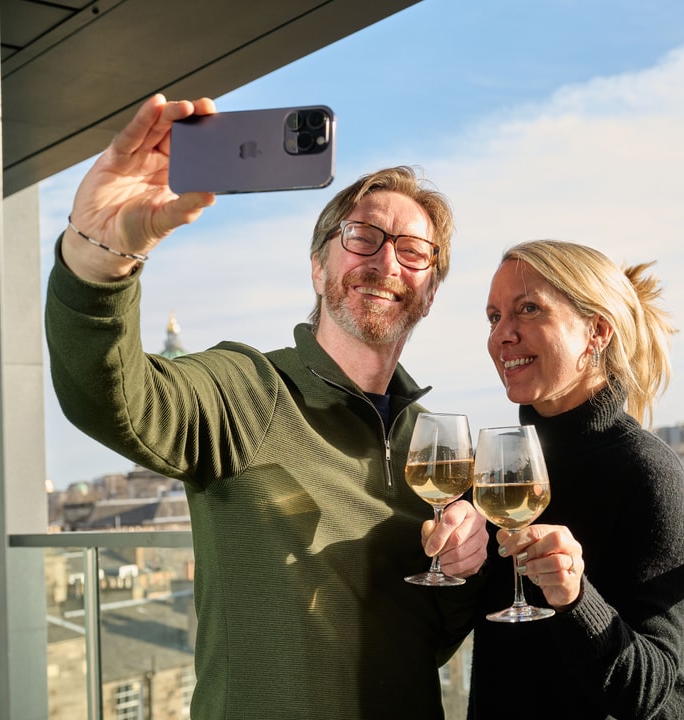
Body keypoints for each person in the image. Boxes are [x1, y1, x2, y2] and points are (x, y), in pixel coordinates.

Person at [44, 95, 489, 719]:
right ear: (317, 267)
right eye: (362, 237)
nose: (387, 262)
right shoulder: (248, 388)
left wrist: (465, 569)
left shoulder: (434, 445)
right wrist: (98, 254)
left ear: (430, 290)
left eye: (415, 252)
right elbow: (111, 399)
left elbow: (429, 640)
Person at [469, 240, 684, 719]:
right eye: (494, 318)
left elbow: (646, 690)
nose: (502, 336)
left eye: (528, 309)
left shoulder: (648, 471)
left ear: (597, 331)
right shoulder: (501, 470)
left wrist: (573, 596)